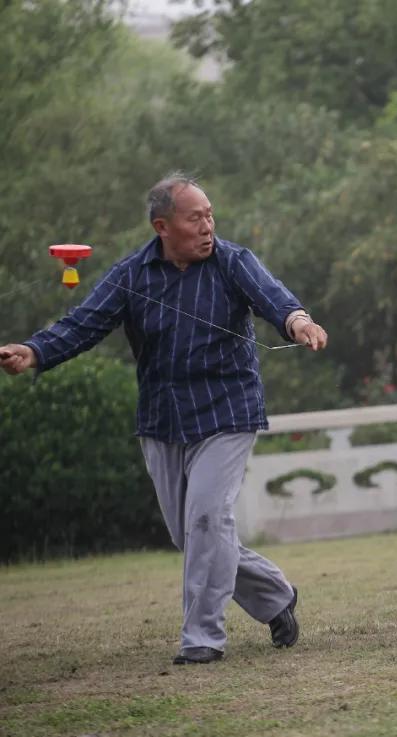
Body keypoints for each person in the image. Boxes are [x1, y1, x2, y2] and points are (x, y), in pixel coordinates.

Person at [0, 173, 328, 665]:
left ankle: (202, 637)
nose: (207, 226)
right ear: (163, 226)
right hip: (161, 417)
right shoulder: (132, 273)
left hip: (227, 410)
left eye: (210, 215)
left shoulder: (232, 261)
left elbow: (275, 298)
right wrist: (33, 351)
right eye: (195, 217)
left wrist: (299, 322)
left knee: (205, 519)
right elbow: (84, 323)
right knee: (190, 533)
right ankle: (276, 597)